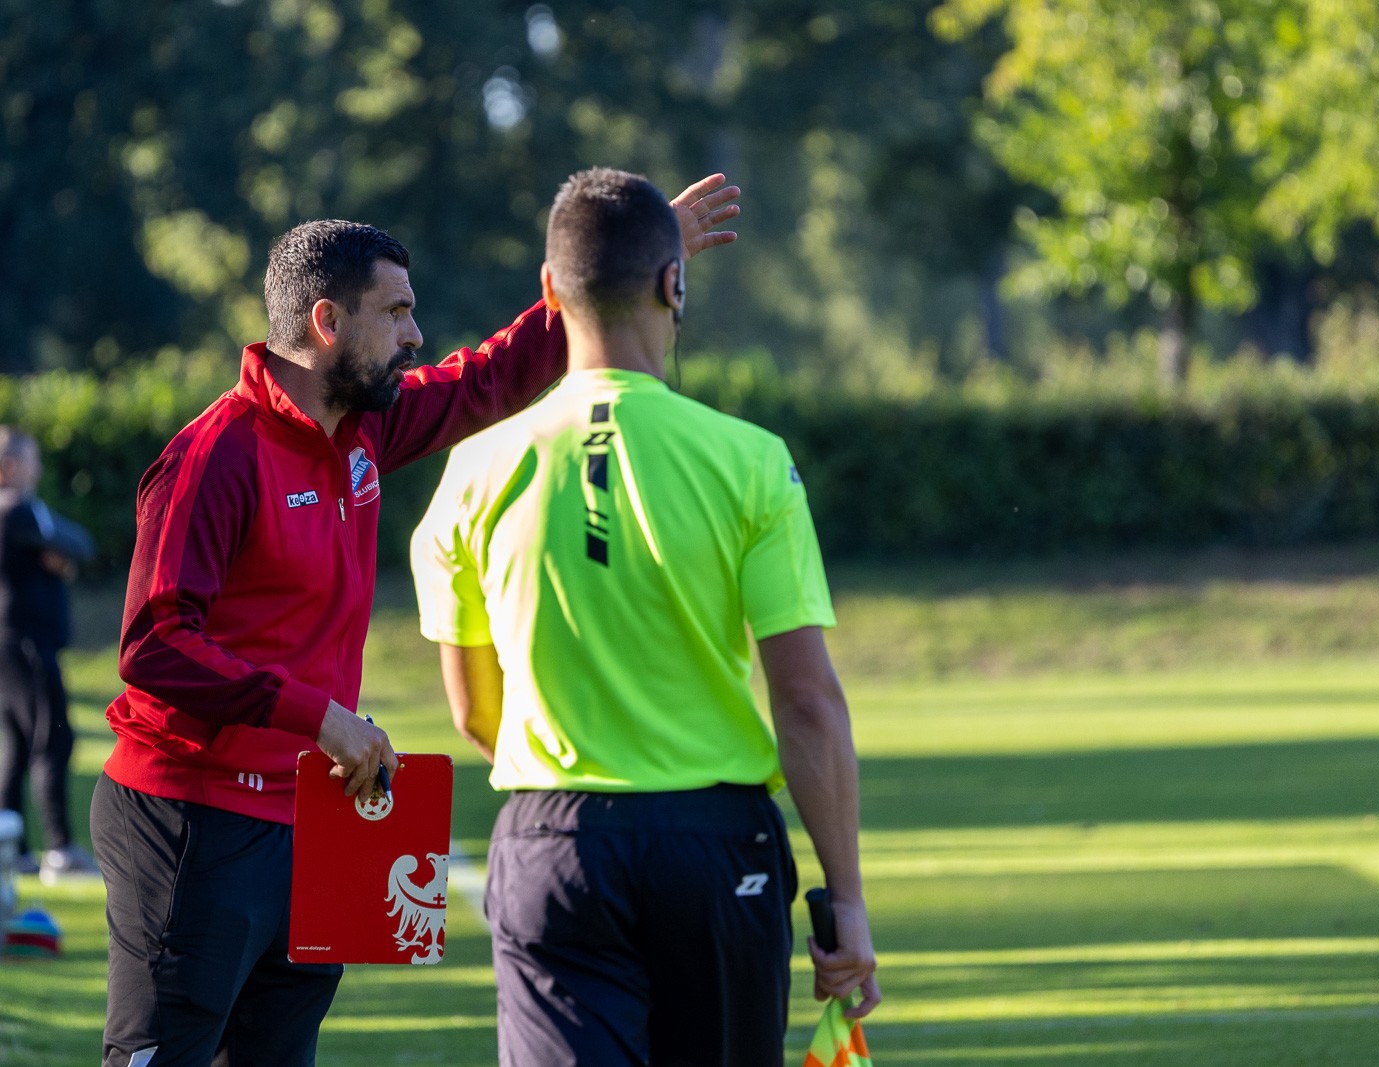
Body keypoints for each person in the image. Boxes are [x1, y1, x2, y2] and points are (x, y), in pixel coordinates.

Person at [90, 173, 742, 1067]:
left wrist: (628, 254)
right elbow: (154, 646)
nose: (415, 335)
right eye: (395, 312)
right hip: (190, 815)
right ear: (328, 322)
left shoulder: (364, 429)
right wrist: (317, 716)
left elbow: (494, 376)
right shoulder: (215, 454)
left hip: (314, 814)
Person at [410, 167, 880, 1067]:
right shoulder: (751, 462)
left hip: (553, 840)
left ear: (547, 293)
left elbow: (474, 712)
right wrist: (847, 897)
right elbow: (808, 702)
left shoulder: (471, 470)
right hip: (715, 848)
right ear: (675, 284)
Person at [0, 427, 97, 883]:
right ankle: (58, 850)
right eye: (32, 459)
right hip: (28, 646)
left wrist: (59, 549)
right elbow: (76, 542)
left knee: (16, 749)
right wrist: (59, 550)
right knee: (52, 741)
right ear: (13, 465)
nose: (38, 467)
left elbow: (71, 544)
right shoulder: (18, 511)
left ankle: (14, 851)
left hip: (11, 647)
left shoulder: (23, 516)